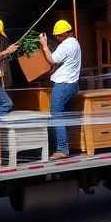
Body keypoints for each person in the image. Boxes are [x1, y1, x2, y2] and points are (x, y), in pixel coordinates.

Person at [39, 19, 82, 159]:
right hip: (72, 85)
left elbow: (52, 59)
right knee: (62, 115)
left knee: (57, 115)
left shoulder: (66, 45)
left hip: (63, 85)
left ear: (64, 34)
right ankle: (64, 146)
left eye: (58, 35)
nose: (56, 38)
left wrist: (44, 45)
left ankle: (62, 149)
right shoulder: (75, 43)